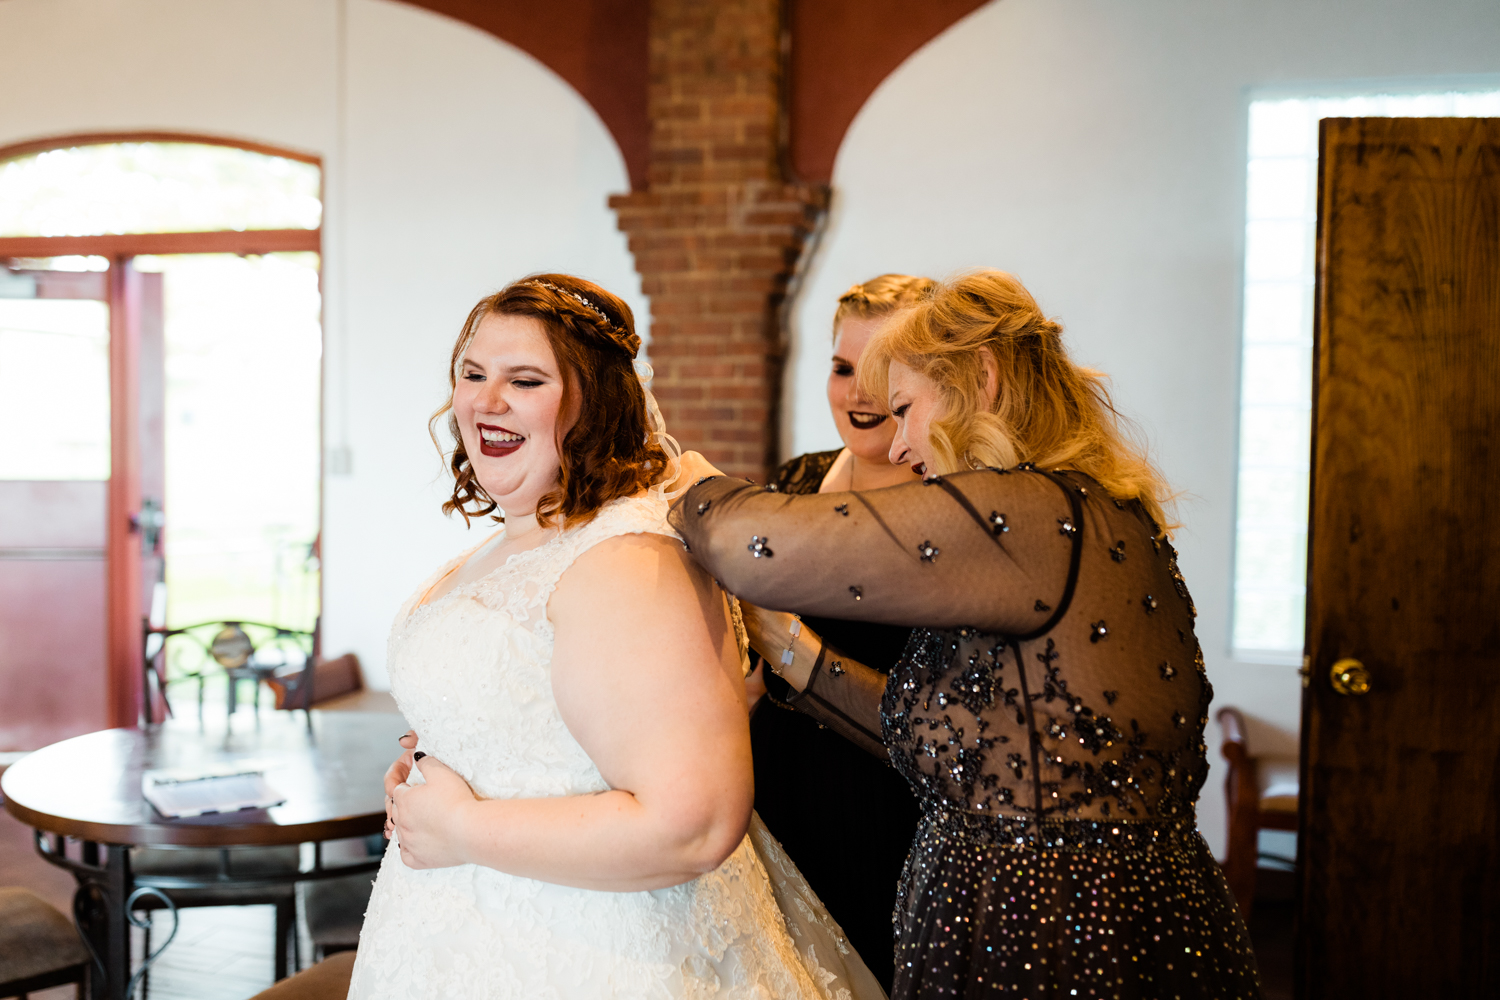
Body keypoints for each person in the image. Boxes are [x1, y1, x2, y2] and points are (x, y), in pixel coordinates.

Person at [670, 269, 1262, 999]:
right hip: (1034, 914)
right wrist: (794, 651)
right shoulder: (1070, 508)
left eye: (907, 408)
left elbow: (742, 543)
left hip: (1053, 935)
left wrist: (671, 470)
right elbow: (945, 738)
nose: (903, 442)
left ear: (978, 379)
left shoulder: (1034, 511)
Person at [350, 274, 882, 999]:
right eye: (472, 373)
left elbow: (692, 825)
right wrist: (430, 766)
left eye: (525, 380)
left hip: (597, 954)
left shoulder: (627, 561)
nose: (485, 400)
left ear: (594, 403)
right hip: (453, 938)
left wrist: (464, 828)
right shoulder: (504, 546)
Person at [749, 275, 931, 992]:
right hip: (774, 780)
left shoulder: (953, 507)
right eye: (843, 367)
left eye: (883, 373)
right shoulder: (797, 479)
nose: (857, 393)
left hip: (884, 803)